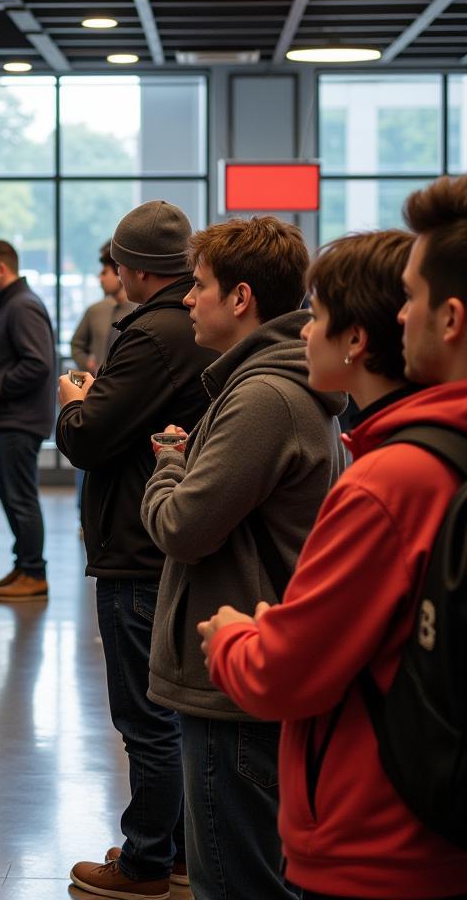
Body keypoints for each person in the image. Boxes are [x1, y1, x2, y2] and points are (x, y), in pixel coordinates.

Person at [200, 207, 467, 898]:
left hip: (379, 832)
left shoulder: (392, 479)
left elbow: (290, 672)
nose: (399, 318)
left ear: (450, 318)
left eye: (412, 299)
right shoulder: (419, 455)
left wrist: (237, 639)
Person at [141, 215, 347, 900]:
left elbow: (180, 526)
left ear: (241, 298)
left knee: (234, 884)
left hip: (234, 691)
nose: (186, 300)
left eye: (198, 286)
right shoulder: (270, 384)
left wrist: (169, 464)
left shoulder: (262, 397)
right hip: (251, 670)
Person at [58, 202, 217, 900]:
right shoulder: (192, 327)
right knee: (169, 709)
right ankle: (175, 846)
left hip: (135, 544)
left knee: (147, 714)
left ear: (131, 267)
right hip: (165, 539)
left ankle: (149, 861)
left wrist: (74, 402)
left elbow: (92, 436)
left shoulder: (152, 334)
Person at [0, 239, 57, 601]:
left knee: (20, 496)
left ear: (1, 268)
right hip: (13, 418)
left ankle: (34, 572)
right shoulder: (13, 303)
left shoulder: (22, 306)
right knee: (10, 493)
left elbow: (37, 364)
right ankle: (24, 565)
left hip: (19, 418)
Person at [70, 240, 135, 376]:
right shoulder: (95, 310)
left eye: (105, 273)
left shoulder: (140, 312)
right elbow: (77, 344)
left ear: (119, 273)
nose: (100, 278)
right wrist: (87, 363)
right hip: (98, 385)